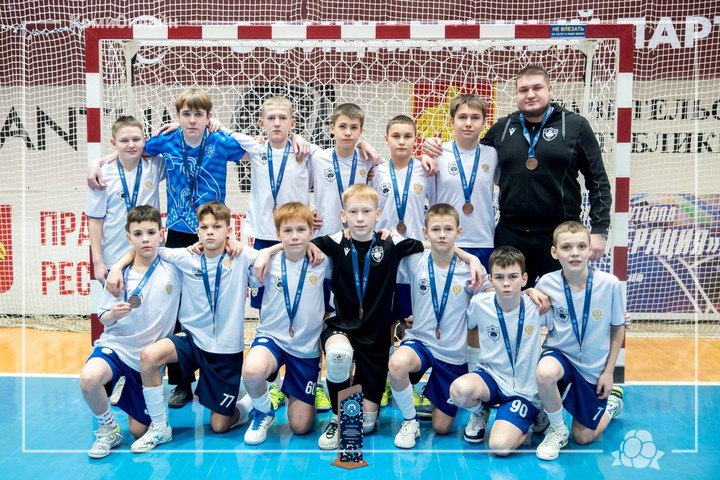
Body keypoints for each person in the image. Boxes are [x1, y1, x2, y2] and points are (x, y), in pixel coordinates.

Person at [88, 88, 254, 407]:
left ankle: (216, 374)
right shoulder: (167, 140)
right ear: (177, 116)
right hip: (177, 234)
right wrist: (100, 161)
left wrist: (223, 127)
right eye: (186, 114)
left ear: (208, 117)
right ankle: (180, 382)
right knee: (176, 311)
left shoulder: (220, 142)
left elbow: (256, 152)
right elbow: (133, 149)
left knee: (213, 304)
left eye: (199, 115)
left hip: (212, 234)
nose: (192, 120)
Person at [106, 202, 259, 452]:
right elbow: (147, 248)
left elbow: (273, 253)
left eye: (217, 227)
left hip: (225, 350)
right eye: (204, 227)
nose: (210, 232)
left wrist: (245, 246)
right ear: (197, 232)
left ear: (228, 231)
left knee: (220, 426)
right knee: (149, 356)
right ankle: (160, 427)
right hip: (191, 340)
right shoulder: (186, 256)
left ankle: (249, 404)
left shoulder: (241, 256)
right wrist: (116, 266)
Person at [482, 65, 612, 287]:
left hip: (561, 235)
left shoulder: (576, 126)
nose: (530, 94)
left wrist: (599, 230)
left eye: (537, 88)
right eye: (523, 90)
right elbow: (471, 158)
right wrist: (435, 149)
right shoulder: (502, 128)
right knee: (511, 303)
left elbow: (598, 181)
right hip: (511, 235)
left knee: (563, 301)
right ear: (516, 94)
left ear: (550, 90)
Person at [79, 205, 181, 458]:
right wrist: (113, 314)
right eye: (138, 234)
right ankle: (108, 429)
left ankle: (124, 389)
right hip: (116, 347)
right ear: (128, 238)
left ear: (162, 234)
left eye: (151, 232)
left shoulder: (174, 268)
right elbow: (103, 316)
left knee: (138, 430)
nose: (145, 239)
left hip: (146, 362)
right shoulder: (119, 275)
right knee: (89, 378)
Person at [389, 204, 484, 449]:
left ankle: (447, 400)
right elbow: (391, 248)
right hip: (420, 342)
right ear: (425, 232)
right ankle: (410, 421)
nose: (442, 235)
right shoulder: (413, 261)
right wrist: (405, 313)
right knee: (397, 364)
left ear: (458, 232)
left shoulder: (471, 270)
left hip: (453, 355)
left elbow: (494, 300)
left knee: (441, 428)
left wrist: (471, 258)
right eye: (436, 229)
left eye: (448, 229)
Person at [241, 202, 331, 445]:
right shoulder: (266, 261)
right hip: (273, 339)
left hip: (305, 348)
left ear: (311, 231)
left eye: (301, 230)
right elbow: (233, 251)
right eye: (288, 231)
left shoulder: (323, 262)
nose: (295, 236)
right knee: (252, 371)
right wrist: (267, 251)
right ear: (277, 233)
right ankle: (263, 411)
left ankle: (292, 392)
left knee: (300, 427)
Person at [534, 221, 625, 461]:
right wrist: (528, 291)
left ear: (589, 249)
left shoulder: (610, 284)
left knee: (584, 437)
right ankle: (557, 429)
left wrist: (609, 373)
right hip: (560, 357)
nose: (574, 253)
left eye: (581, 246)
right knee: (544, 372)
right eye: (566, 247)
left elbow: (618, 328)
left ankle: (611, 405)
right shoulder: (546, 283)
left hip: (593, 369)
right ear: (555, 252)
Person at [450, 246, 549, 455]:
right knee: (459, 390)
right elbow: (469, 330)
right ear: (490, 279)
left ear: (524, 279)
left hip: (523, 389)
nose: (506, 283)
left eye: (513, 277)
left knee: (499, 447)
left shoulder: (536, 306)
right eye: (499, 277)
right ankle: (481, 411)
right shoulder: (480, 303)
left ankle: (535, 413)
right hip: (491, 378)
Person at [373, 114, 436, 413]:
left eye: (407, 136)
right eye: (396, 136)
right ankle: (386, 380)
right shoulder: (375, 172)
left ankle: (414, 384)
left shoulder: (427, 170)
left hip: (416, 254)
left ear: (415, 139)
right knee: (385, 320)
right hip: (384, 255)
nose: (401, 141)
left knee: (415, 319)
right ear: (386, 139)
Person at [85, 116, 164, 285]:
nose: (131, 145)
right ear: (113, 143)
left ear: (144, 140)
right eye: (124, 141)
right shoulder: (101, 175)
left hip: (151, 256)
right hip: (114, 258)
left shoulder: (155, 165)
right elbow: (95, 221)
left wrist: (180, 123)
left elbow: (183, 143)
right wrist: (97, 263)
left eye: (136, 139)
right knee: (118, 303)